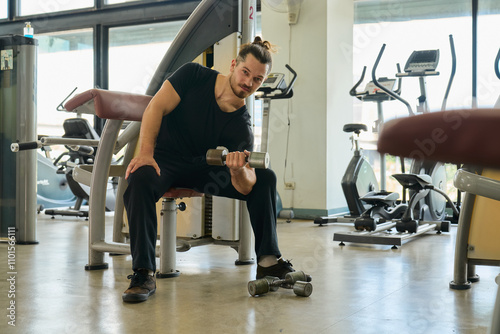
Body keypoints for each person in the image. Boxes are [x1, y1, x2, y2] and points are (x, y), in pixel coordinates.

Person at [122, 37, 302, 303]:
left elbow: (245, 186)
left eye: (257, 80)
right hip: (165, 159)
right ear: (233, 65)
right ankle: (143, 272)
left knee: (264, 177)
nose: (248, 83)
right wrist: (145, 153)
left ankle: (267, 260)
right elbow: (156, 107)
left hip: (204, 168)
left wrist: (238, 170)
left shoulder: (241, 125)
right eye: (245, 73)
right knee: (138, 180)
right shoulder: (193, 75)